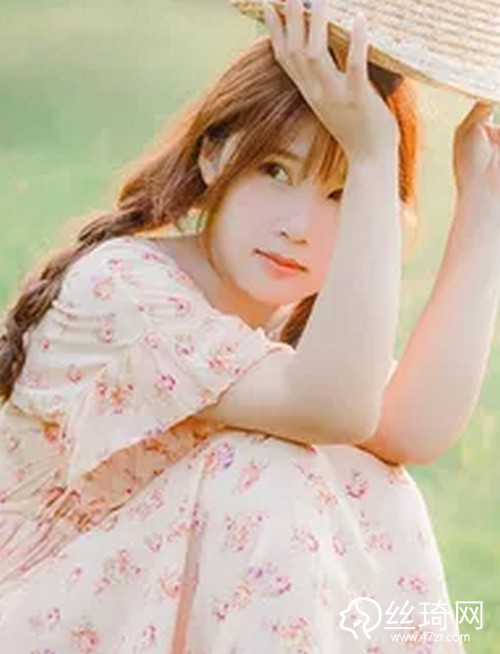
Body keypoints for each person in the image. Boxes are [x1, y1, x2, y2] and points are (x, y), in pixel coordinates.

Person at [1, 0, 499, 650]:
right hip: (37, 614)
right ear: (213, 154)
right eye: (275, 172)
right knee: (265, 466)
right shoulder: (123, 286)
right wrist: (371, 158)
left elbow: (410, 430)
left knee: (371, 477)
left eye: (342, 195)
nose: (298, 226)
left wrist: (485, 210)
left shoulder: (286, 331)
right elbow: (333, 409)